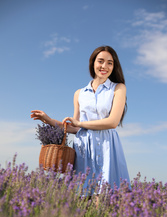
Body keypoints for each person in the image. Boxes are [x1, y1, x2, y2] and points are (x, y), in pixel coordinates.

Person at [31, 45, 131, 192]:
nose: (105, 66)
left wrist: (80, 123)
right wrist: (49, 120)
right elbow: (74, 127)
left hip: (107, 146)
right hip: (83, 148)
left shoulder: (118, 88)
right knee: (83, 197)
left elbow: (113, 122)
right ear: (93, 63)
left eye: (110, 63)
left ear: (114, 66)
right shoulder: (79, 93)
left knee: (105, 196)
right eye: (101, 61)